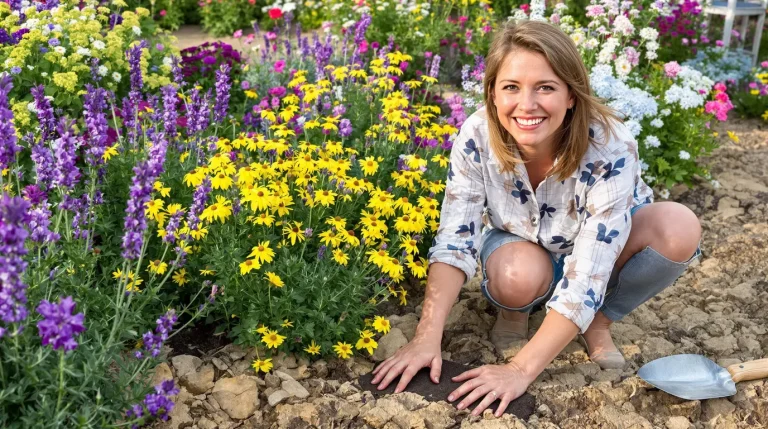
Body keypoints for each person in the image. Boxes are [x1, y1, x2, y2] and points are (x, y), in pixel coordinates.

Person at [370, 20, 702, 418]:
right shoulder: (476, 135)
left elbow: (592, 266)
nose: (526, 105)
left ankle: (597, 320)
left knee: (679, 227)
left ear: (571, 95)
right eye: (511, 87)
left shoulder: (611, 144)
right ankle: (516, 310)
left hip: (601, 251)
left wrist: (519, 370)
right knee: (518, 277)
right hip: (520, 246)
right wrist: (426, 338)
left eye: (545, 87)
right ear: (492, 93)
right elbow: (456, 238)